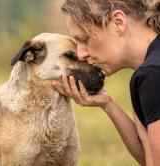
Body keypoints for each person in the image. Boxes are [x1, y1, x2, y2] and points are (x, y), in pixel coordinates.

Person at [52, 0, 160, 165]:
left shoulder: (152, 74)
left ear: (118, 22)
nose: (81, 54)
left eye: (84, 39)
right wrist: (107, 103)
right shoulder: (148, 70)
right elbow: (149, 156)